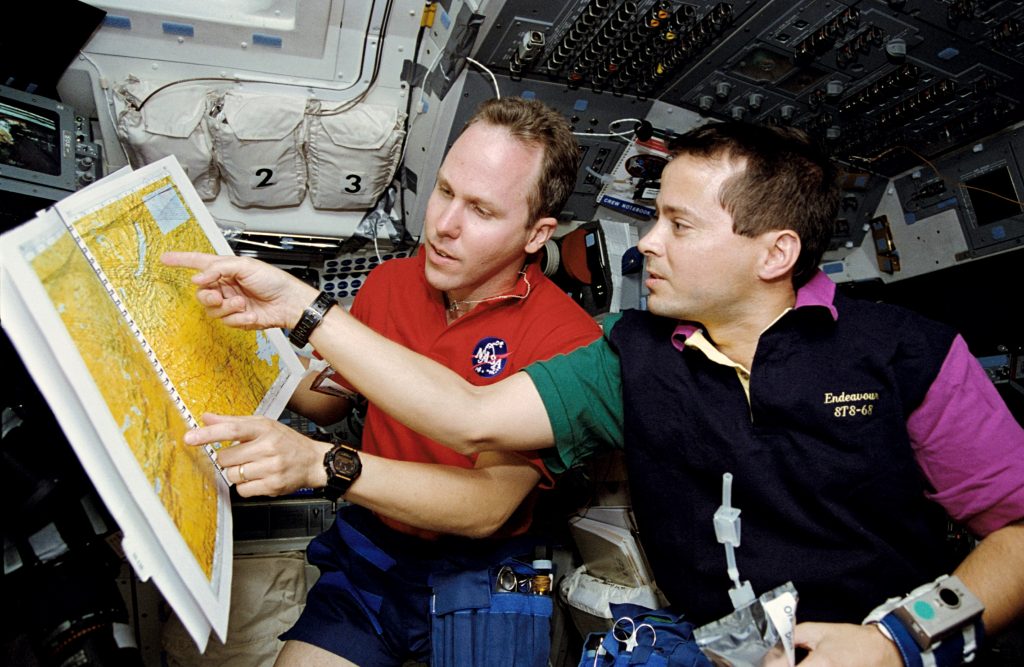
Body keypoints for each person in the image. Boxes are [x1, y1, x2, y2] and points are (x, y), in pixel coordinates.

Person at [166, 121, 1024, 666]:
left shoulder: (909, 355)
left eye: (679, 226)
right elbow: (467, 414)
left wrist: (897, 640)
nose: (645, 243)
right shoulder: (631, 353)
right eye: (653, 217)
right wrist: (305, 313)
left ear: (774, 253)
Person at [166, 97, 601, 667]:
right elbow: (325, 402)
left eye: (481, 211)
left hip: (484, 568)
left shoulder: (568, 342)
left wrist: (318, 465)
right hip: (376, 548)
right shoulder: (392, 282)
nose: (444, 226)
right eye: (445, 191)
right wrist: (235, 337)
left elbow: (486, 507)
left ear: (535, 234)